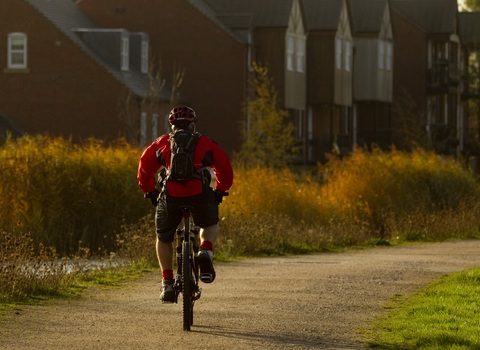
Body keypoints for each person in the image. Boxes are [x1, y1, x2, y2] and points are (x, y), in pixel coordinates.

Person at [137, 106, 233, 303]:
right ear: (192, 125)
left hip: (171, 197)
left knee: (164, 237)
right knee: (209, 224)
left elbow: (144, 168)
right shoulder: (204, 142)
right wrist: (221, 190)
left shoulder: (162, 143)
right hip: (200, 195)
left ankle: (168, 285)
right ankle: (205, 250)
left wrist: (151, 191)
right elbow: (224, 166)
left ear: (172, 126)